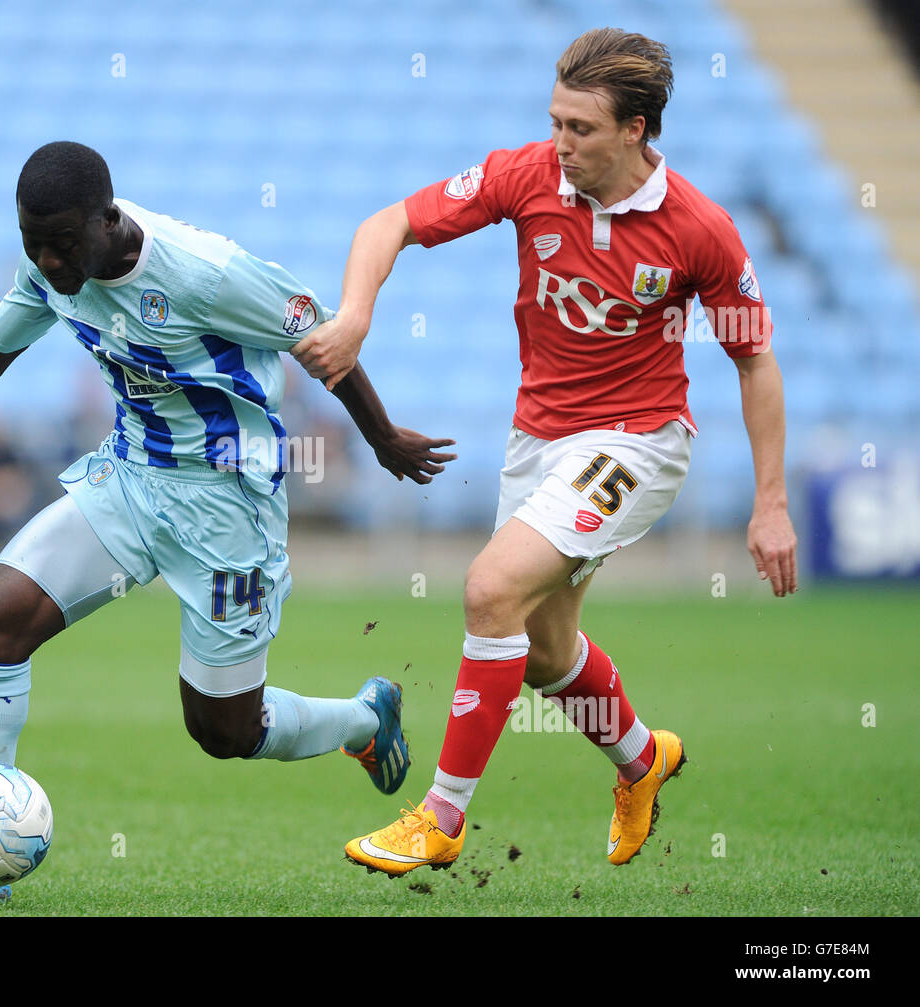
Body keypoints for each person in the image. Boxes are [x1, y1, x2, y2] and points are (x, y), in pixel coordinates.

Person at [0, 141, 456, 901]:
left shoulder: (204, 272)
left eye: (63, 244)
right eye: (31, 243)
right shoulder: (49, 265)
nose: (47, 260)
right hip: (131, 477)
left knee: (223, 731)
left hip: (225, 506)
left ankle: (363, 720)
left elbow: (323, 338)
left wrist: (382, 437)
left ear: (108, 221)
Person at [292, 28, 798, 876]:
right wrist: (354, 317)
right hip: (540, 440)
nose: (560, 144)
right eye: (555, 121)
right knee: (545, 650)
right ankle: (644, 761)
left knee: (489, 588)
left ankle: (441, 817)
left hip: (638, 441)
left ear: (637, 130)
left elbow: (754, 360)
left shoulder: (702, 230)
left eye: (582, 129)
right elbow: (390, 223)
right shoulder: (529, 175)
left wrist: (771, 501)